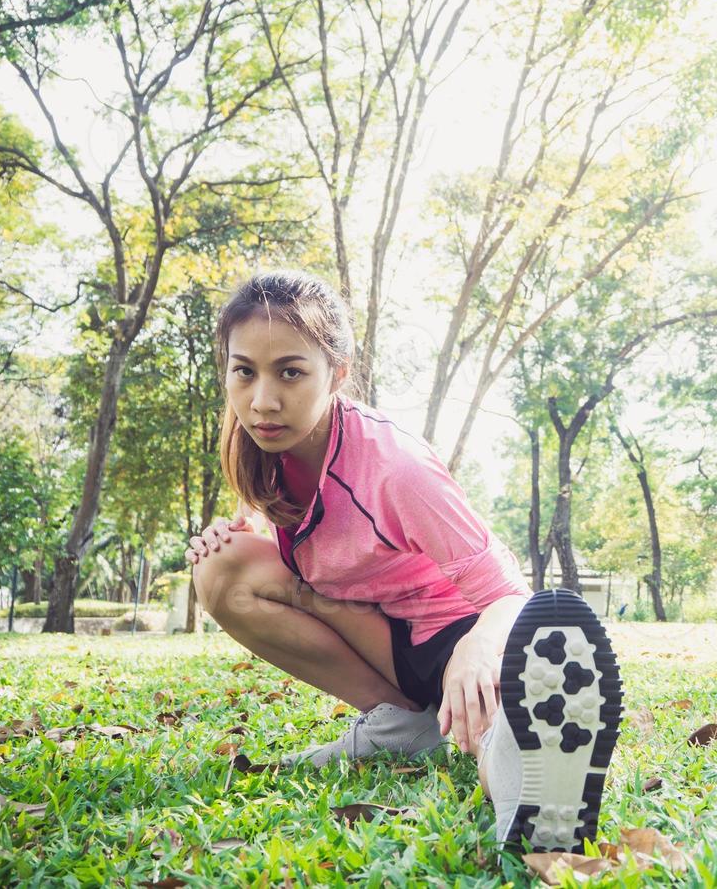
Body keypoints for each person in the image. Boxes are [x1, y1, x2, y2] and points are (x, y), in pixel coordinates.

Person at [187, 270, 622, 852]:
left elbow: (509, 591)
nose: (263, 399)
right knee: (222, 568)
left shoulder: (396, 467)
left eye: (290, 372)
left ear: (336, 374)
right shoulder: (257, 441)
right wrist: (238, 530)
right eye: (245, 371)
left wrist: (475, 651)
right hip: (386, 636)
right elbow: (314, 527)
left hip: (456, 632)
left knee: (490, 732)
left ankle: (532, 800)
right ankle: (401, 724)